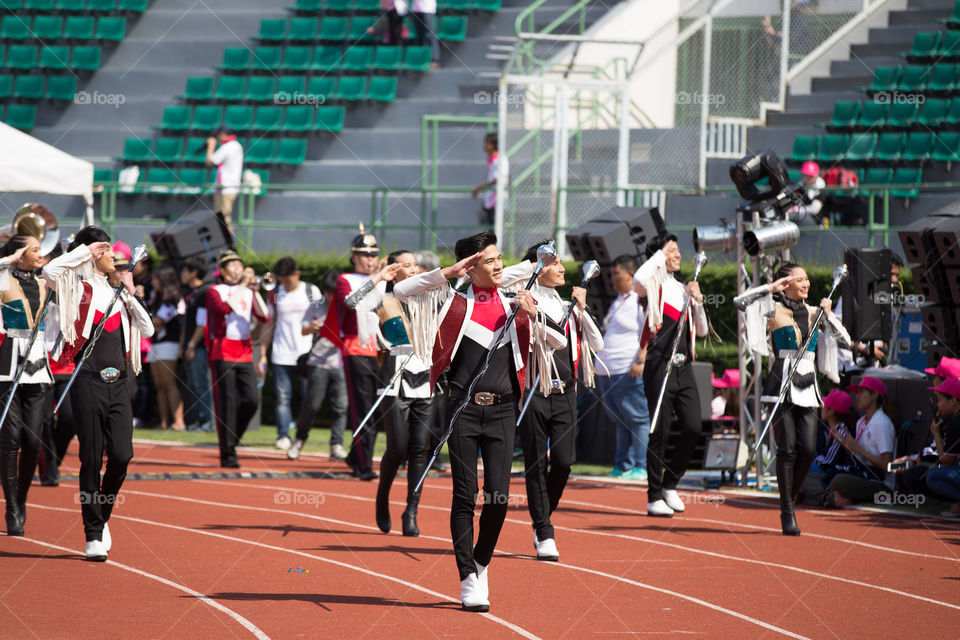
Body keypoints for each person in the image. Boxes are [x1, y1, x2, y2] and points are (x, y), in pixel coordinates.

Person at [393, 230, 540, 612]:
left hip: (504, 410)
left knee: (499, 497)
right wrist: (448, 272)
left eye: (498, 258)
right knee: (465, 494)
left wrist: (534, 317)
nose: (498, 265)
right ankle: (467, 578)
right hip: (463, 409)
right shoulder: (453, 302)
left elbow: (550, 342)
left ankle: (481, 560)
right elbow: (402, 291)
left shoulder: (515, 304)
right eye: (489, 260)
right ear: (471, 267)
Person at [43, 227, 154, 561]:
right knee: (91, 457)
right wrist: (85, 251)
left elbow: (147, 329)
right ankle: (92, 533)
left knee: (122, 455)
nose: (115, 259)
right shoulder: (77, 288)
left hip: (119, 383)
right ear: (94, 254)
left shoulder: (118, 292)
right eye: (108, 252)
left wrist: (130, 294)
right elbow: (51, 271)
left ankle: (101, 515)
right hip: (87, 380)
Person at [735, 262, 851, 534]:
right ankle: (788, 510)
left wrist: (829, 315)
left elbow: (845, 341)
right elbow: (739, 302)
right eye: (799, 279)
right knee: (786, 450)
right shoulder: (773, 309)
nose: (806, 283)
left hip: (808, 385)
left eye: (807, 278)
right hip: (781, 384)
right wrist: (768, 288)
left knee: (808, 449)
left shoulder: (815, 313)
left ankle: (789, 496)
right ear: (785, 284)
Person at [520, 242, 602, 561]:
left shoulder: (568, 304)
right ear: (536, 267)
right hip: (534, 389)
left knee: (565, 461)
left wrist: (582, 309)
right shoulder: (524, 302)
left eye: (560, 263)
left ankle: (542, 515)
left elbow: (597, 342)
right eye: (553, 263)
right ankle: (544, 530)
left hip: (566, 390)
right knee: (536, 462)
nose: (562, 269)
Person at [347, 250, 433, 537]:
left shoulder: (429, 297)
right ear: (394, 270)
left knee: (420, 449)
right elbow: (351, 303)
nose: (413, 269)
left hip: (426, 380)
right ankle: (382, 497)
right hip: (394, 378)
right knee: (398, 448)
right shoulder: (382, 299)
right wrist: (378, 278)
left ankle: (411, 510)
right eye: (405, 266)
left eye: (414, 265)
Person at [633, 234, 709, 518]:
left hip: (684, 367)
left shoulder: (682, 288)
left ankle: (670, 484)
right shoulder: (653, 286)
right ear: (659, 255)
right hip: (658, 365)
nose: (678, 255)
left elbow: (700, 331)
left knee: (692, 427)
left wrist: (698, 301)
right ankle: (653, 496)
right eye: (672, 251)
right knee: (660, 430)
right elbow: (638, 280)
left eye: (678, 250)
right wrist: (658, 256)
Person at [320, 226, 385, 481]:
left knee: (378, 408)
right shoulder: (346, 279)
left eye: (373, 254)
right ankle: (363, 464)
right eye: (365, 255)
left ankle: (356, 456)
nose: (370, 259)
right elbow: (351, 302)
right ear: (354, 256)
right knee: (363, 409)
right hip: (356, 347)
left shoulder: (381, 279)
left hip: (379, 349)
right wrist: (378, 277)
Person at [0, 235, 54, 536]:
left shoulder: (45, 282)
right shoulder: (4, 281)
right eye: (34, 250)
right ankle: (10, 507)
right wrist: (10, 258)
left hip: (38, 369)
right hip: (7, 369)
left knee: (33, 440)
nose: (40, 254)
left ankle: (21, 499)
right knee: (9, 441)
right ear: (19, 254)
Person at [205, 252, 270, 468]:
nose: (237, 269)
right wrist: (243, 285)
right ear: (222, 271)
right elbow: (225, 308)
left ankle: (231, 439)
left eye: (239, 265)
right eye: (232, 266)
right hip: (222, 351)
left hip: (244, 350)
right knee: (227, 404)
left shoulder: (247, 291)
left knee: (251, 399)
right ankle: (228, 454)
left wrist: (256, 291)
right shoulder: (215, 291)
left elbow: (264, 316)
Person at [595, 254, 650, 481]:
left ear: (630, 274)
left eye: (616, 274)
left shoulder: (639, 300)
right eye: (611, 275)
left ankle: (640, 465)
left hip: (626, 368)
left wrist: (640, 360)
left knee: (637, 418)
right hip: (608, 371)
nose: (612, 279)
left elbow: (648, 331)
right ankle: (623, 464)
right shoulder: (619, 300)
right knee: (621, 419)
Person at [287, 270, 349, 462]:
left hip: (340, 362)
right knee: (312, 405)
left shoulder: (347, 305)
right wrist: (314, 326)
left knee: (341, 406)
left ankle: (336, 445)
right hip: (318, 362)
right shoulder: (316, 305)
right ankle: (298, 440)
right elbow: (303, 329)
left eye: (334, 293)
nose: (331, 297)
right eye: (328, 293)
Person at [262, 257, 317, 450]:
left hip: (306, 353)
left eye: (288, 280)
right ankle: (283, 435)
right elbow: (269, 324)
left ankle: (301, 436)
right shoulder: (276, 294)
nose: (285, 284)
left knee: (308, 398)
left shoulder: (311, 291)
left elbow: (321, 318)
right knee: (282, 397)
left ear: (297, 274)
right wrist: (262, 351)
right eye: (282, 280)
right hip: (281, 353)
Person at [827, 376, 895, 507]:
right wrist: (846, 445)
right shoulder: (861, 422)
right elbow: (859, 458)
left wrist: (857, 449)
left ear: (874, 395)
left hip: (881, 484)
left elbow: (888, 465)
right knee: (815, 477)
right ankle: (831, 497)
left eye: (861, 392)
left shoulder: (882, 423)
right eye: (856, 393)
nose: (857, 396)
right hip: (863, 474)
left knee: (837, 481)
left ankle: (831, 497)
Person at [147, 265, 186, 431]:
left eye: (156, 279)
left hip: (169, 343)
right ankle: (164, 422)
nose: (153, 282)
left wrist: (150, 321)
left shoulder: (175, 298)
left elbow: (159, 321)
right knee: (159, 385)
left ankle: (179, 421)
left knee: (169, 383)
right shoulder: (156, 298)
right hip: (155, 344)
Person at [179, 257, 213, 432]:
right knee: (192, 384)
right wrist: (182, 345)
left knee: (201, 384)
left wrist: (191, 345)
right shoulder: (190, 293)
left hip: (199, 347)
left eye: (185, 271)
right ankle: (195, 421)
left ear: (193, 272)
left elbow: (202, 323)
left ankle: (205, 421)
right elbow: (187, 322)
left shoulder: (203, 292)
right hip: (190, 346)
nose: (182, 275)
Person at [924, 377, 960, 517]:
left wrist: (936, 434)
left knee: (933, 477)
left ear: (953, 400)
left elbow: (946, 461)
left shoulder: (956, 422)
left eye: (940, 400)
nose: (938, 405)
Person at [206, 125, 244, 248]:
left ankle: (229, 246)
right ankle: (227, 245)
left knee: (224, 220)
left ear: (223, 134)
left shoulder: (228, 146)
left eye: (218, 134)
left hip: (225, 188)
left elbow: (210, 161)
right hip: (228, 188)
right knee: (223, 219)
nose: (217, 137)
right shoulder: (236, 145)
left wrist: (211, 146)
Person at [472, 133, 508, 227]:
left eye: (487, 142)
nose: (484, 145)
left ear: (493, 144)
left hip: (497, 202)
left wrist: (479, 187)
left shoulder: (500, 159)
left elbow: (499, 179)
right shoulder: (491, 159)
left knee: (494, 232)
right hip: (490, 202)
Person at [788, 161, 826, 226]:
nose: (807, 178)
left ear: (816, 176)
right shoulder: (799, 186)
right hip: (800, 216)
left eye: (810, 176)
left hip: (814, 221)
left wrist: (796, 210)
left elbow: (815, 209)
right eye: (805, 175)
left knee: (791, 216)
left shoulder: (821, 188)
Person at [410, 0, 439, 69]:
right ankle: (422, 59)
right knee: (420, 36)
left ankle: (434, 59)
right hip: (416, 9)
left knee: (430, 35)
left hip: (427, 9)